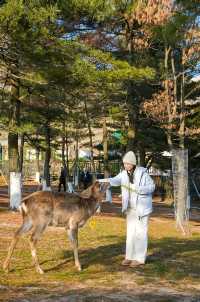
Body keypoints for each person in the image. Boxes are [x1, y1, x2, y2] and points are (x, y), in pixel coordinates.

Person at [98, 151, 155, 267]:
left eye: (128, 163)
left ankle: (139, 259)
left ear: (133, 164)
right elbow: (114, 180)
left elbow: (152, 187)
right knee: (130, 233)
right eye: (124, 163)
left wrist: (140, 189)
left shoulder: (143, 173)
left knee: (141, 233)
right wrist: (101, 181)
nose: (126, 165)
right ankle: (129, 257)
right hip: (130, 209)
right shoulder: (123, 174)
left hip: (142, 208)